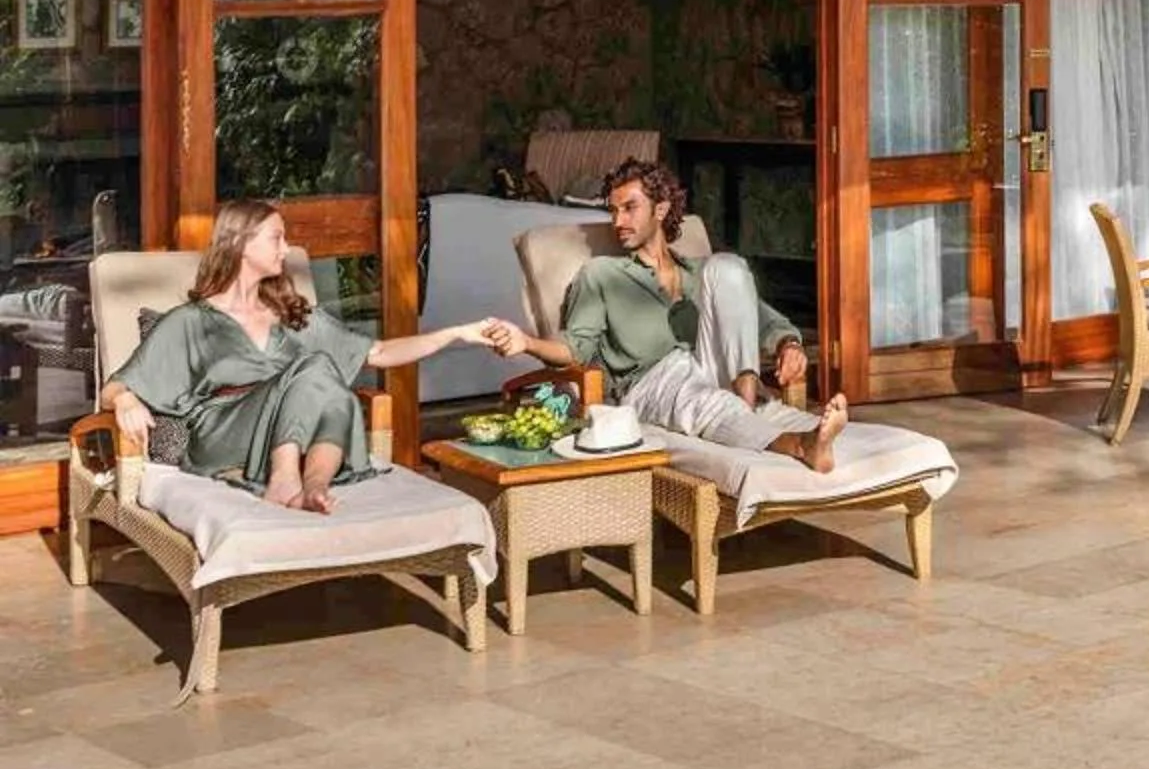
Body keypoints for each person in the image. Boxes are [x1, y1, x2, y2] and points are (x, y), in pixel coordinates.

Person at [99, 198, 516, 513]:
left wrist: (459, 333)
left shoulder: (294, 316)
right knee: (317, 366)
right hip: (224, 433)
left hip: (291, 429)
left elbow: (379, 352)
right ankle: (284, 480)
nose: (287, 248)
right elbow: (113, 387)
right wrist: (126, 399)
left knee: (330, 385)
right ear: (241, 244)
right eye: (276, 238)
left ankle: (314, 487)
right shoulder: (192, 321)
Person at [499, 158, 849, 473]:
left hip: (715, 369)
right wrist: (527, 342)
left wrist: (789, 345)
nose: (618, 221)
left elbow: (767, 320)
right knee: (702, 398)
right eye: (613, 211)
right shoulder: (602, 274)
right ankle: (800, 444)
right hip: (651, 382)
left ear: (661, 209)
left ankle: (742, 401)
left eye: (629, 208)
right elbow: (576, 349)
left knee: (728, 265)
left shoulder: (701, 273)